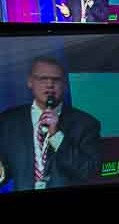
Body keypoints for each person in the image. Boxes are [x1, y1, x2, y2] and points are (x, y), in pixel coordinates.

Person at [0, 56, 104, 191]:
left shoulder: (86, 124)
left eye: (56, 80)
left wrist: (56, 136)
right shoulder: (8, 120)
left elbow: (88, 172)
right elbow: (5, 170)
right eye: (42, 79)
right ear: (30, 82)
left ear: (65, 84)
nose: (50, 84)